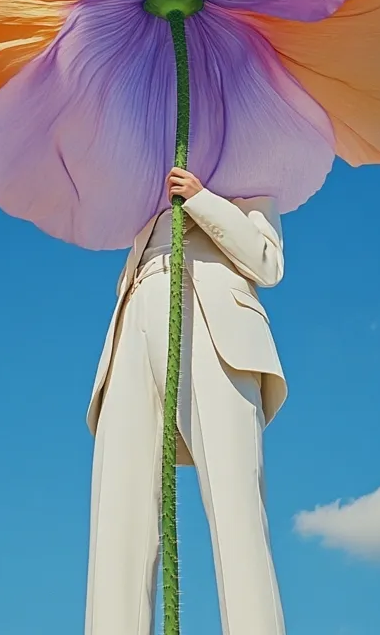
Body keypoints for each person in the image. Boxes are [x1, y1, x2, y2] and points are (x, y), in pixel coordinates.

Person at [84, 166, 288, 635]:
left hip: (214, 327)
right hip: (132, 324)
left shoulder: (254, 175)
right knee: (118, 511)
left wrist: (200, 197)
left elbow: (267, 263)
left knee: (235, 504)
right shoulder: (149, 179)